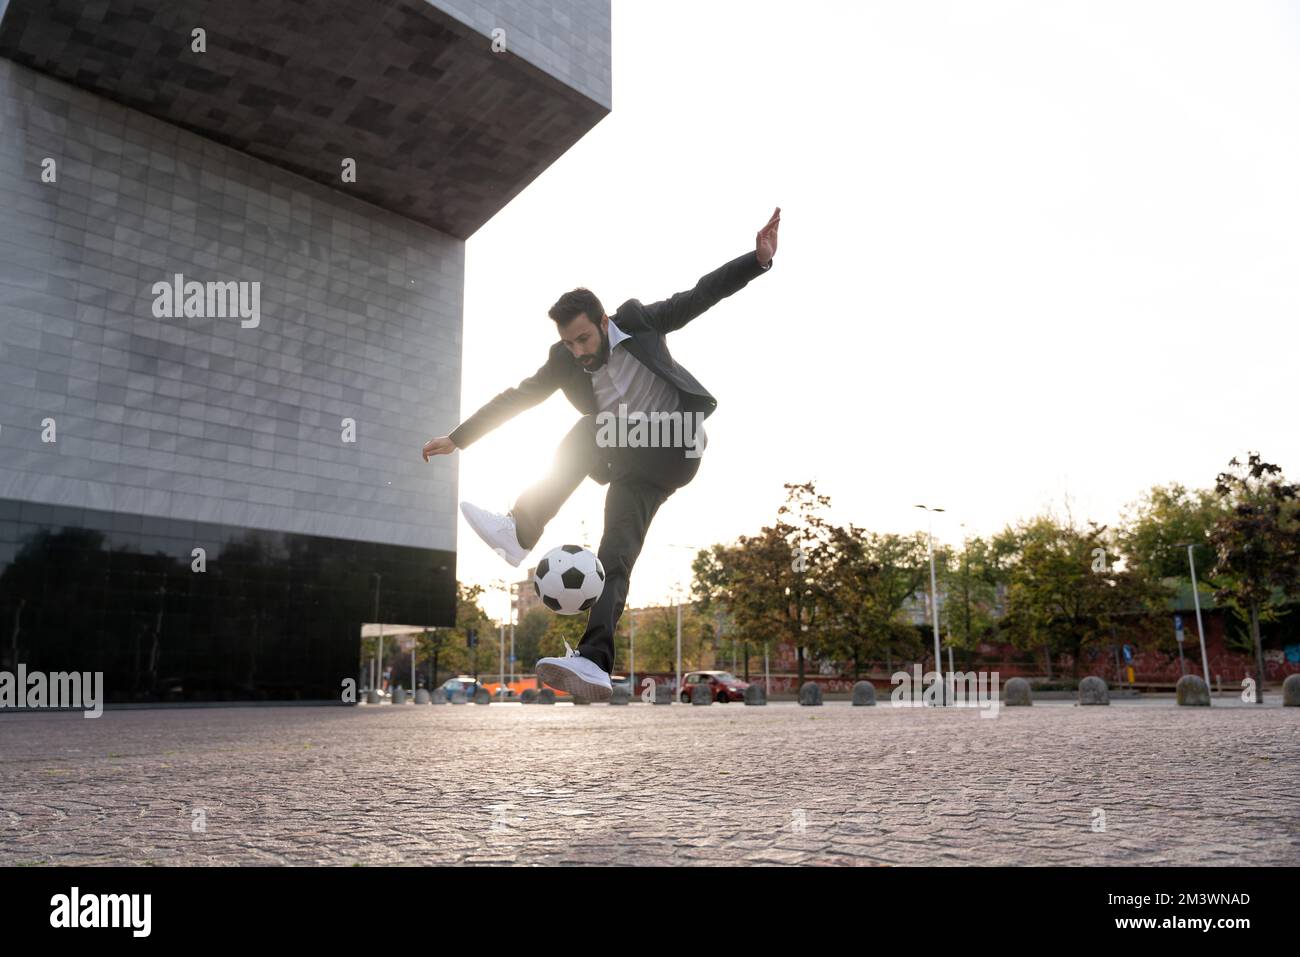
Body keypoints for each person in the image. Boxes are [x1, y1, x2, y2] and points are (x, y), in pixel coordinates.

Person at [422, 209, 781, 700]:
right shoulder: (564, 361)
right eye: (569, 343)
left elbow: (702, 293)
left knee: (589, 429)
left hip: (676, 443)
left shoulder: (642, 321)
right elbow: (520, 395)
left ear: (603, 321)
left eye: (584, 339)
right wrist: (460, 437)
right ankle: (594, 661)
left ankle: (520, 528)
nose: (579, 351)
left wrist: (757, 261)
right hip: (632, 465)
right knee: (616, 553)